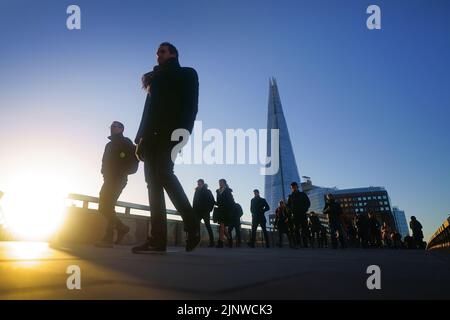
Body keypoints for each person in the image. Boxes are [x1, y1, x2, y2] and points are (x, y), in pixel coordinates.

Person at [132, 42, 200, 253]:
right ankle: (157, 239)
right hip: (150, 138)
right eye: (156, 52)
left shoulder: (186, 73)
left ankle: (192, 223)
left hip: (171, 134)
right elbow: (147, 111)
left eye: (162, 51)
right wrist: (139, 139)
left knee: (164, 173)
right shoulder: (154, 79)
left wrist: (184, 133)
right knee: (152, 183)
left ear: (173, 53)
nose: (158, 55)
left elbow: (191, 106)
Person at [94, 121, 137, 248]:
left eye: (115, 126)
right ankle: (122, 228)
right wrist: (104, 173)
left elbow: (134, 160)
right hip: (108, 179)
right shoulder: (109, 145)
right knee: (103, 206)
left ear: (121, 129)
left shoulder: (126, 142)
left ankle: (108, 238)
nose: (112, 128)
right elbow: (104, 162)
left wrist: (123, 172)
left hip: (119, 179)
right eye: (111, 126)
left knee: (109, 205)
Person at [287, 182, 311, 248]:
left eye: (294, 187)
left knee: (304, 228)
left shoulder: (302, 194)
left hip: (303, 214)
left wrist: (304, 210)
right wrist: (291, 211)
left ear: (297, 187)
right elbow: (288, 206)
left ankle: (305, 243)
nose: (293, 188)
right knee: (296, 229)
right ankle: (298, 243)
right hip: (295, 215)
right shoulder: (290, 196)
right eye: (292, 188)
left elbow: (308, 203)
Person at [193, 179, 215, 247]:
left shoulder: (207, 191)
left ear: (202, 183)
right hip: (197, 211)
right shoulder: (196, 191)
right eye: (198, 184)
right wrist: (193, 210)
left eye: (199, 183)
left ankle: (212, 242)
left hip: (205, 211)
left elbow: (212, 201)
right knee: (196, 226)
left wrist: (209, 210)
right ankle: (197, 241)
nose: (198, 185)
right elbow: (194, 201)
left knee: (208, 225)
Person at [213, 179, 235, 248]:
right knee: (223, 227)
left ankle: (221, 242)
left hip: (226, 210)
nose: (220, 184)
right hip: (220, 210)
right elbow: (218, 201)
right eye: (219, 182)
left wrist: (230, 210)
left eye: (221, 182)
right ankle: (230, 239)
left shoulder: (228, 191)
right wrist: (215, 203)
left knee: (222, 226)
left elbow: (231, 201)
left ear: (224, 183)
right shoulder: (218, 191)